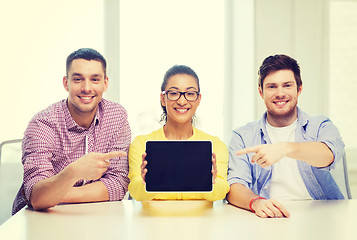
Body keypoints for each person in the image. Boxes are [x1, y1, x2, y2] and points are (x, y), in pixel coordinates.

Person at [12, 48, 131, 214]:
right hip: (40, 219)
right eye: (78, 79)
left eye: (95, 79)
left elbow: (118, 184)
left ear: (105, 83)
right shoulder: (42, 124)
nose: (86, 88)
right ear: (66, 83)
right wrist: (73, 172)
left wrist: (56, 194)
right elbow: (37, 198)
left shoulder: (116, 116)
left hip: (93, 215)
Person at [227, 54, 346, 218]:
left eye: (287, 85)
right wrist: (256, 202)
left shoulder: (321, 126)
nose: (280, 93)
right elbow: (234, 185)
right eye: (272, 87)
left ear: (299, 88)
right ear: (261, 92)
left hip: (323, 217)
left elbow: (328, 155)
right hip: (269, 219)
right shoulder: (242, 136)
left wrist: (285, 148)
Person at [128, 65, 229, 201]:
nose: (182, 101)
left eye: (190, 94)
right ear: (163, 99)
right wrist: (146, 184)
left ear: (199, 99)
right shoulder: (141, 144)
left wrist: (211, 184)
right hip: (154, 221)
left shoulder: (216, 145)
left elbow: (222, 191)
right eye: (174, 93)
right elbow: (134, 190)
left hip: (202, 222)